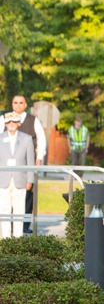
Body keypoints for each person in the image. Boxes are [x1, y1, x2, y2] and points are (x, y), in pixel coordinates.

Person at [11, 95, 45, 233]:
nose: (18, 105)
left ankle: (24, 225)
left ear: (25, 105)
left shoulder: (33, 121)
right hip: (10, 166)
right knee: (10, 193)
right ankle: (10, 224)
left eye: (21, 103)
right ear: (12, 104)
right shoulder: (5, 119)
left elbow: (41, 140)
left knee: (28, 194)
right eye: (15, 103)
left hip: (28, 163)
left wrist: (39, 158)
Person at [0, 113, 34, 239]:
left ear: (18, 123)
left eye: (14, 122)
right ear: (5, 124)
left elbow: (30, 161)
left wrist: (30, 180)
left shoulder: (27, 139)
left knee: (19, 210)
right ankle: (6, 239)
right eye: (9, 122)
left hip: (21, 179)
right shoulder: (0, 138)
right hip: (3, 180)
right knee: (4, 210)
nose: (11, 124)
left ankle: (18, 239)